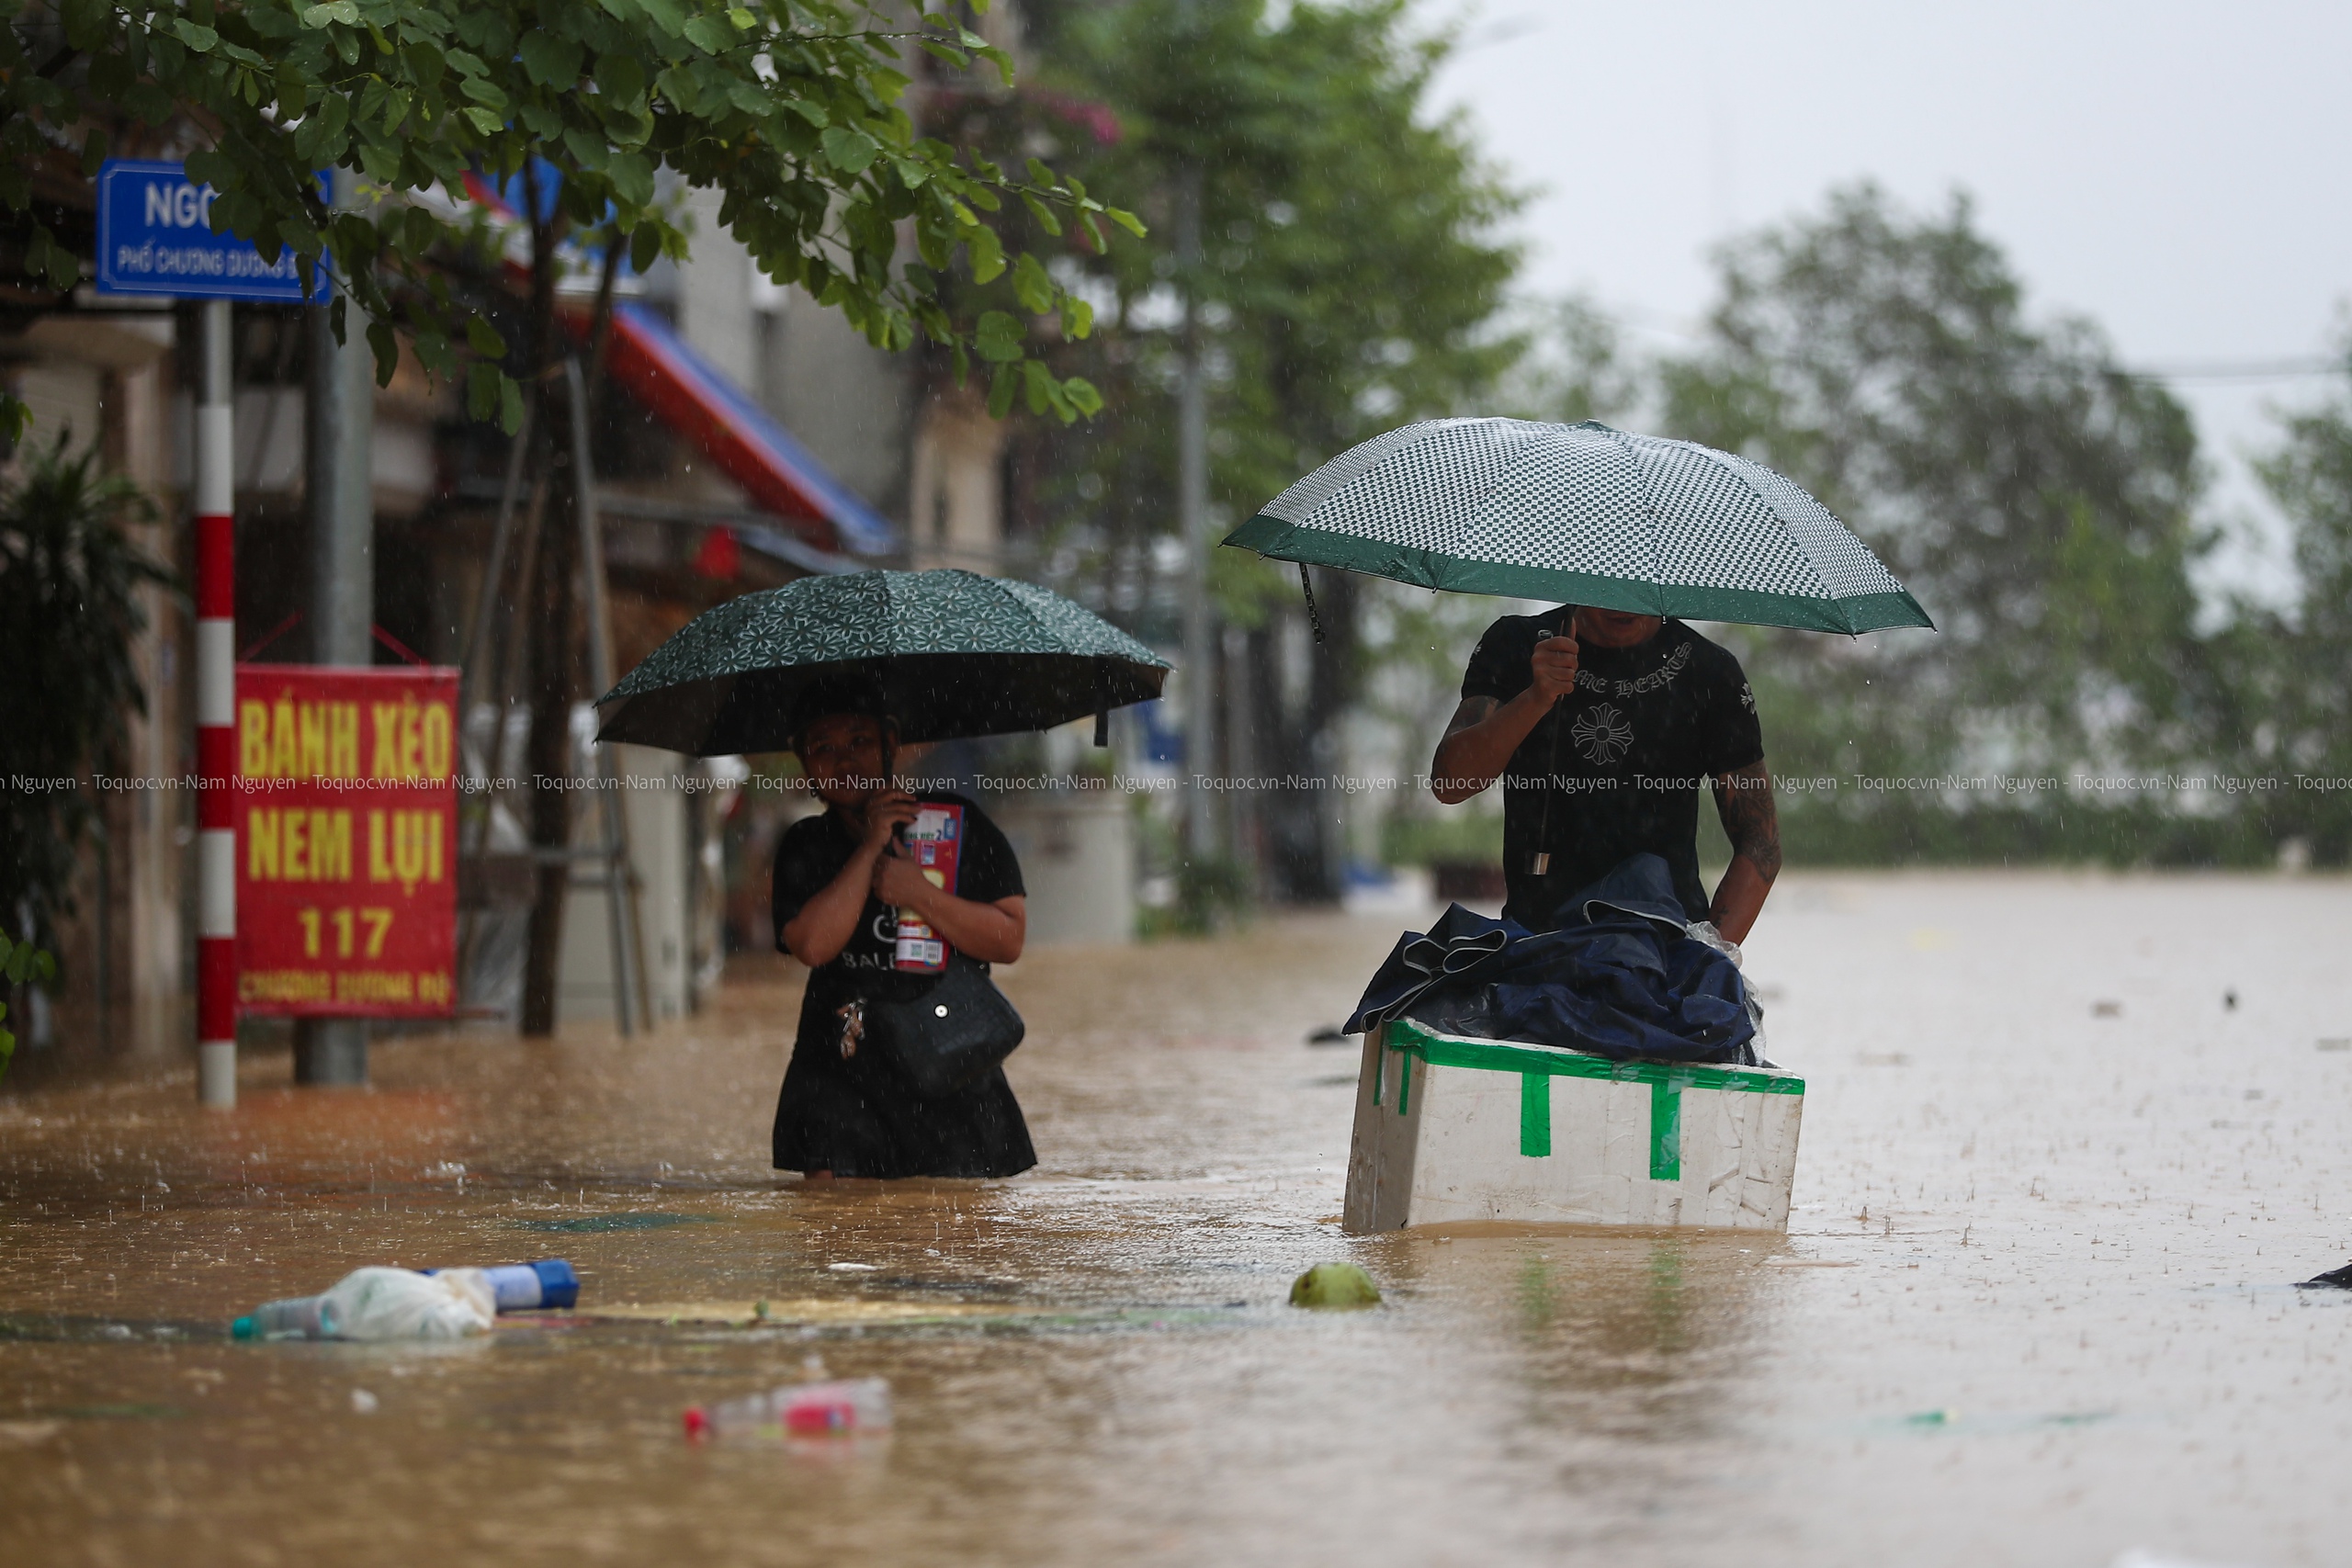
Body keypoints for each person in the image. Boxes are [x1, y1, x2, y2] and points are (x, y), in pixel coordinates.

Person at [770, 678, 1035, 1179]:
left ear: (891, 744)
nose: (843, 760)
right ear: (804, 764)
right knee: (837, 1234)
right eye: (823, 748)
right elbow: (811, 945)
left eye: (859, 742)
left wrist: (919, 894)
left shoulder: (959, 824)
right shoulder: (806, 846)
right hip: (840, 1071)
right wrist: (870, 847)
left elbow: (1009, 939)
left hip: (948, 1061)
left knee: (955, 1241)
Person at [1430, 605, 1781, 942]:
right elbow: (1450, 783)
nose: (1624, 603)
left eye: (1638, 585)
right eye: (1612, 585)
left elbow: (1760, 841)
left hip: (1665, 946)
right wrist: (1535, 698)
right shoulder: (1518, 643)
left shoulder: (1710, 671)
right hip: (1537, 945)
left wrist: (1707, 956)